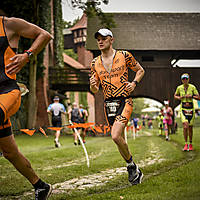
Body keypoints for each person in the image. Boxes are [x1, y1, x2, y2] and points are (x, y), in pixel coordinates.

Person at [0, 14, 53, 199]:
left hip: (7, 92)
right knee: (10, 152)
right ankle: (40, 185)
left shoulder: (9, 24)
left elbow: (45, 35)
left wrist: (27, 55)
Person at [90, 28, 145, 185]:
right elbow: (94, 90)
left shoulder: (124, 55)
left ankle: (131, 166)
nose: (100, 41)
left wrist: (134, 83)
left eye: (103, 38)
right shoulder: (95, 63)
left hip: (124, 100)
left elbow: (140, 70)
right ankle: (133, 167)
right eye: (98, 39)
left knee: (115, 135)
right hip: (108, 104)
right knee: (118, 139)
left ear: (111, 40)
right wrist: (93, 85)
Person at [174, 73, 199, 151]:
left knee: (190, 128)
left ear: (188, 79)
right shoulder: (179, 88)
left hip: (191, 109)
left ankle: (190, 144)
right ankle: (186, 144)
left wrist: (191, 96)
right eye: (183, 79)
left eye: (186, 79)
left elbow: (198, 97)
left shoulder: (192, 87)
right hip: (183, 109)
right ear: (181, 80)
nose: (185, 80)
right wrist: (179, 97)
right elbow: (175, 95)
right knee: (185, 126)